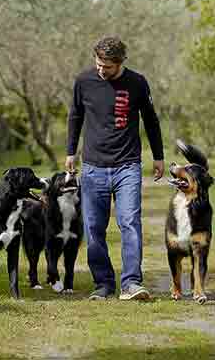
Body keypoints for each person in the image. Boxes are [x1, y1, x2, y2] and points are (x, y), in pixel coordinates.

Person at [66, 36, 164, 301]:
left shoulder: (137, 83)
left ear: (120, 63)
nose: (101, 70)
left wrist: (158, 156)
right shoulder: (83, 82)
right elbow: (75, 116)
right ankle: (103, 283)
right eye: (98, 64)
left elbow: (151, 121)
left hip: (127, 166)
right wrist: (70, 152)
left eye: (107, 66)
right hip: (93, 167)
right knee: (94, 228)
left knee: (130, 222)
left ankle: (131, 283)